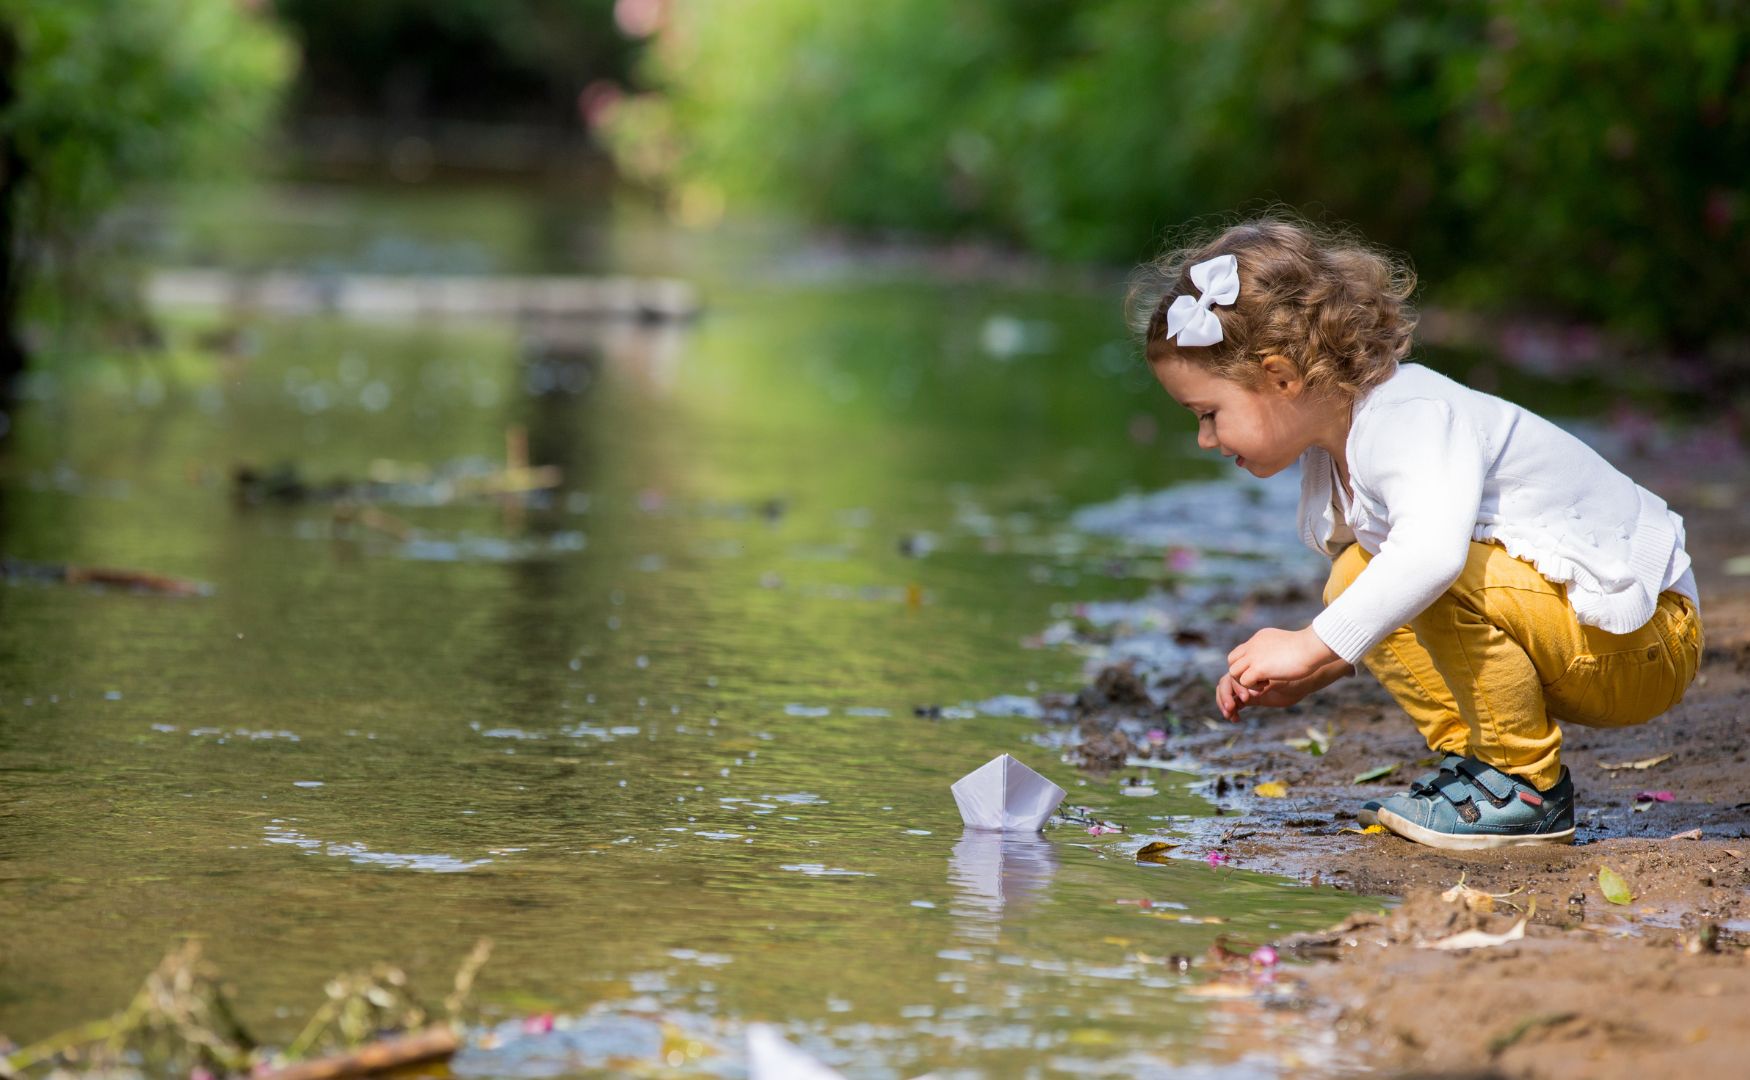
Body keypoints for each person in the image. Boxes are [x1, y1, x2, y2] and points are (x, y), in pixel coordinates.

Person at [1130, 218, 1703, 850]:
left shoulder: (1408, 415)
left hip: (1647, 636)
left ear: (1281, 377)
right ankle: (1484, 769)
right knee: (1356, 574)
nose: (1206, 439)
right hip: (1582, 636)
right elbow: (1383, 586)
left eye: (1209, 415)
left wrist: (1313, 644)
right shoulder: (1339, 451)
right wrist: (1319, 667)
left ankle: (1524, 787)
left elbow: (1431, 555)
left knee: (1428, 566)